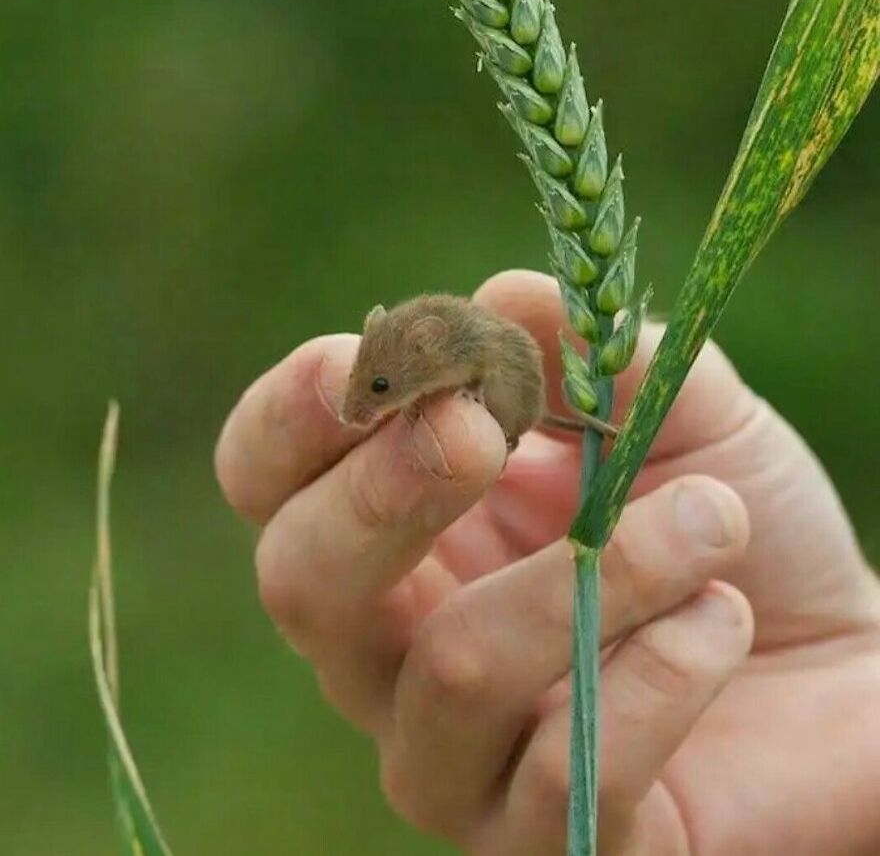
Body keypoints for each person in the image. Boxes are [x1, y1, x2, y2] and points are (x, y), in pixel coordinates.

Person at [215, 270, 880, 855]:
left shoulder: (449, 354)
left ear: (422, 356)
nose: (363, 405)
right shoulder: (413, 350)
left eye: (379, 388)